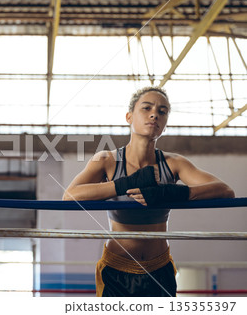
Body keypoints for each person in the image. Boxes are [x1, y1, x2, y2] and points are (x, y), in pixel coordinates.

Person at [63, 86, 235, 297]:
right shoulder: (107, 160)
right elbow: (69, 195)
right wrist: (123, 184)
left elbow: (225, 190)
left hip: (159, 267)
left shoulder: (173, 163)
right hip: (117, 268)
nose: (154, 114)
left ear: (164, 124)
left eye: (162, 111)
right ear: (129, 116)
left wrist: (174, 193)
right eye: (147, 108)